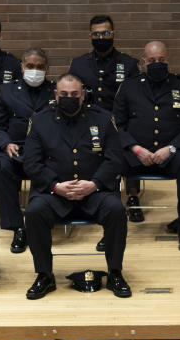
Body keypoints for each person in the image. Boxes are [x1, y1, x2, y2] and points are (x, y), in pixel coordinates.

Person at [23, 73, 131, 299]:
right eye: (64, 94)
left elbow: (115, 159)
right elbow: (32, 163)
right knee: (34, 212)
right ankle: (44, 274)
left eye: (74, 94)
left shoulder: (102, 119)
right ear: (56, 95)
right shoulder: (40, 121)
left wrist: (94, 184)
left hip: (94, 191)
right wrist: (55, 186)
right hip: (55, 192)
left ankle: (115, 272)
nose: (69, 98)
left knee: (116, 210)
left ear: (83, 95)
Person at [112, 40, 180, 251]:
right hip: (137, 153)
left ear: (168, 60)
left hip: (171, 154)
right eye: (152, 60)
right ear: (143, 62)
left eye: (161, 60)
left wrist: (172, 148)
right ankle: (113, 228)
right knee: (112, 164)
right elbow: (116, 124)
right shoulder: (128, 87)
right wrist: (135, 148)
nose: (157, 63)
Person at [69, 15, 141, 222]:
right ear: (90, 36)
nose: (101, 37)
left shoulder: (128, 64)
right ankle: (86, 193)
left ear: (113, 34)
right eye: (97, 34)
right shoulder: (79, 64)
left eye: (105, 33)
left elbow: (135, 99)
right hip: (87, 122)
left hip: (119, 123)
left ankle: (133, 196)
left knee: (126, 141)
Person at [0, 48, 55, 254]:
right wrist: (5, 143)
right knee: (0, 167)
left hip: (45, 152)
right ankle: (18, 227)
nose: (34, 70)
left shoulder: (55, 91)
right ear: (22, 67)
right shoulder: (7, 90)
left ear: (47, 68)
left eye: (40, 67)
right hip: (16, 149)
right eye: (30, 66)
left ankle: (42, 222)